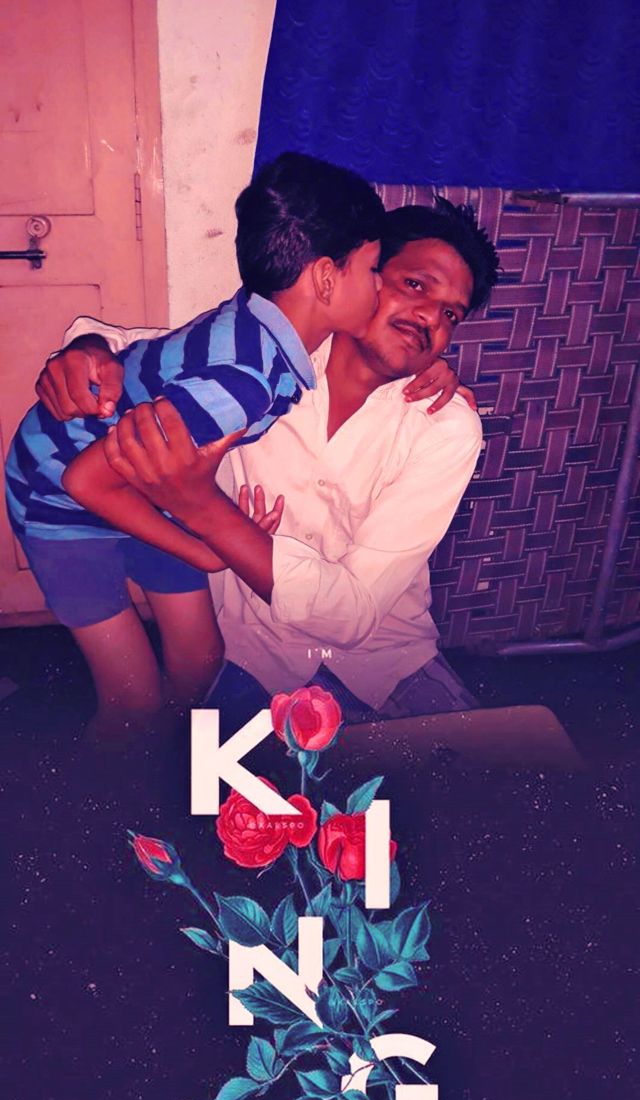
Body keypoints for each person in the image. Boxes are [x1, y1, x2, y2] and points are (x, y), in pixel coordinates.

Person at [34, 198, 500, 729]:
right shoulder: (262, 360)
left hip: (387, 661)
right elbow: (140, 349)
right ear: (362, 277)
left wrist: (202, 507)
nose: (431, 318)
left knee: (497, 766)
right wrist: (87, 349)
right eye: (415, 285)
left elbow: (352, 617)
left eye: (451, 314)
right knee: (199, 776)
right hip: (256, 653)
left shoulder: (444, 425)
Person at [5, 152, 385, 733]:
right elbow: (84, 481)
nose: (380, 285)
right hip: (58, 492)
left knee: (202, 662)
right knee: (132, 700)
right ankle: (119, 779)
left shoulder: (257, 318)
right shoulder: (245, 383)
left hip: (143, 482)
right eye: (373, 269)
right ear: (327, 278)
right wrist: (204, 551)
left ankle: (168, 760)